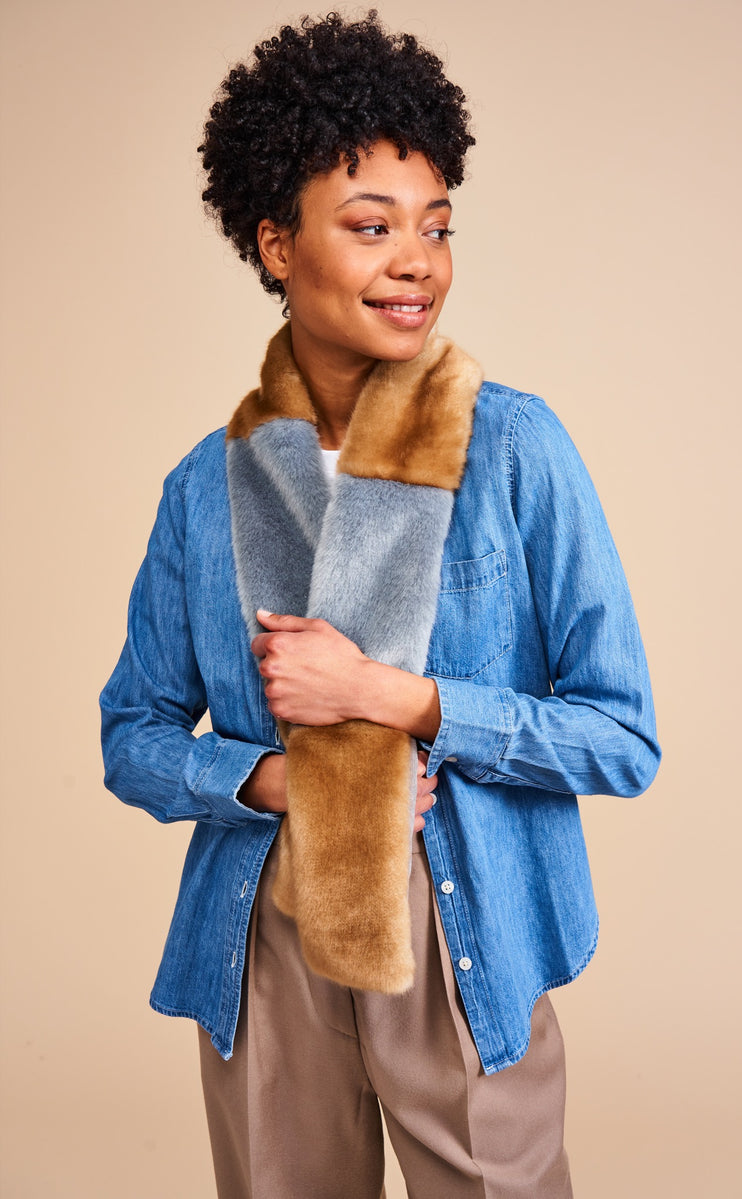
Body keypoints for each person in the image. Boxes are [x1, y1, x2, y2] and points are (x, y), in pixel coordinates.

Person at [100, 12, 660, 1198]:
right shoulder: (209, 488)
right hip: (266, 933)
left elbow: (621, 735)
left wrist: (388, 697)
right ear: (276, 245)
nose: (417, 259)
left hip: (451, 923)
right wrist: (263, 779)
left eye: (435, 226)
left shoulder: (511, 448)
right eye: (370, 228)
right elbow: (132, 733)